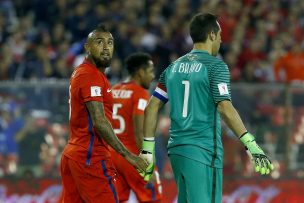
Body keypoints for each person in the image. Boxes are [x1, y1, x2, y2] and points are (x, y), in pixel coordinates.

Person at [139, 13, 274, 203]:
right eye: (219, 35)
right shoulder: (215, 66)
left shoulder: (173, 68)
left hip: (177, 151)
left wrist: (147, 150)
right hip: (203, 151)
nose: (220, 40)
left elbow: (152, 107)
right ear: (211, 35)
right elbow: (225, 107)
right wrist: (251, 144)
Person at [60, 24, 148, 203]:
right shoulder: (89, 75)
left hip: (76, 154)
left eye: (110, 42)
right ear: (87, 47)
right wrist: (128, 155)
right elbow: (99, 122)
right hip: (90, 156)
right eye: (99, 42)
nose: (106, 47)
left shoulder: (88, 74)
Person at [110, 53, 162, 203]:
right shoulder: (140, 94)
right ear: (140, 72)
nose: (152, 76)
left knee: (118, 200)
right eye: (150, 71)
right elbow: (139, 132)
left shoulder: (113, 90)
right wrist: (148, 165)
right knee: (153, 198)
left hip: (113, 157)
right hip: (133, 157)